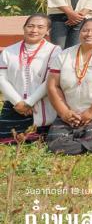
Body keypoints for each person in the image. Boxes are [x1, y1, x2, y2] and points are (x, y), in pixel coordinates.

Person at [45, 18, 92, 154]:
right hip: (72, 111)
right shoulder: (64, 54)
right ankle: (84, 141)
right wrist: (64, 113)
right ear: (79, 32)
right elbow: (53, 86)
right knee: (54, 141)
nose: (89, 34)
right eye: (85, 30)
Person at [0, 14, 57, 143]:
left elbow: (50, 80)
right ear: (24, 28)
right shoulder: (9, 51)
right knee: (5, 139)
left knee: (38, 139)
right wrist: (18, 102)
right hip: (14, 105)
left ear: (48, 31)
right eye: (30, 26)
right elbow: (1, 79)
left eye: (40, 27)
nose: (34, 30)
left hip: (40, 104)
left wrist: (29, 102)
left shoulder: (54, 51)